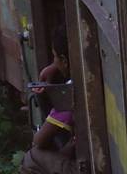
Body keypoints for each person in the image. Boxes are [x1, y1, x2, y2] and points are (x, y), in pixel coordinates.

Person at [21, 26, 77, 174]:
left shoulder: (70, 92)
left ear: (64, 60)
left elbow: (39, 140)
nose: (54, 61)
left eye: (54, 57)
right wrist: (55, 66)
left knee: (33, 157)